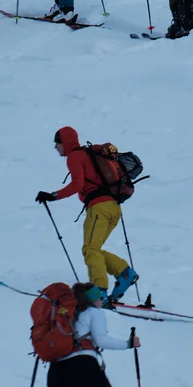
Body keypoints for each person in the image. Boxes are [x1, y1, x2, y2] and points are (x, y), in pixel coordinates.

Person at [36, 126, 136, 303]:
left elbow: (77, 184)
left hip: (99, 208)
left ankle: (99, 293)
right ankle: (125, 274)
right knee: (94, 249)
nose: (55, 147)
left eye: (57, 143)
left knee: (90, 250)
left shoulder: (74, 156)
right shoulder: (88, 154)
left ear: (65, 142)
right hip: (113, 208)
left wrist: (53, 196)